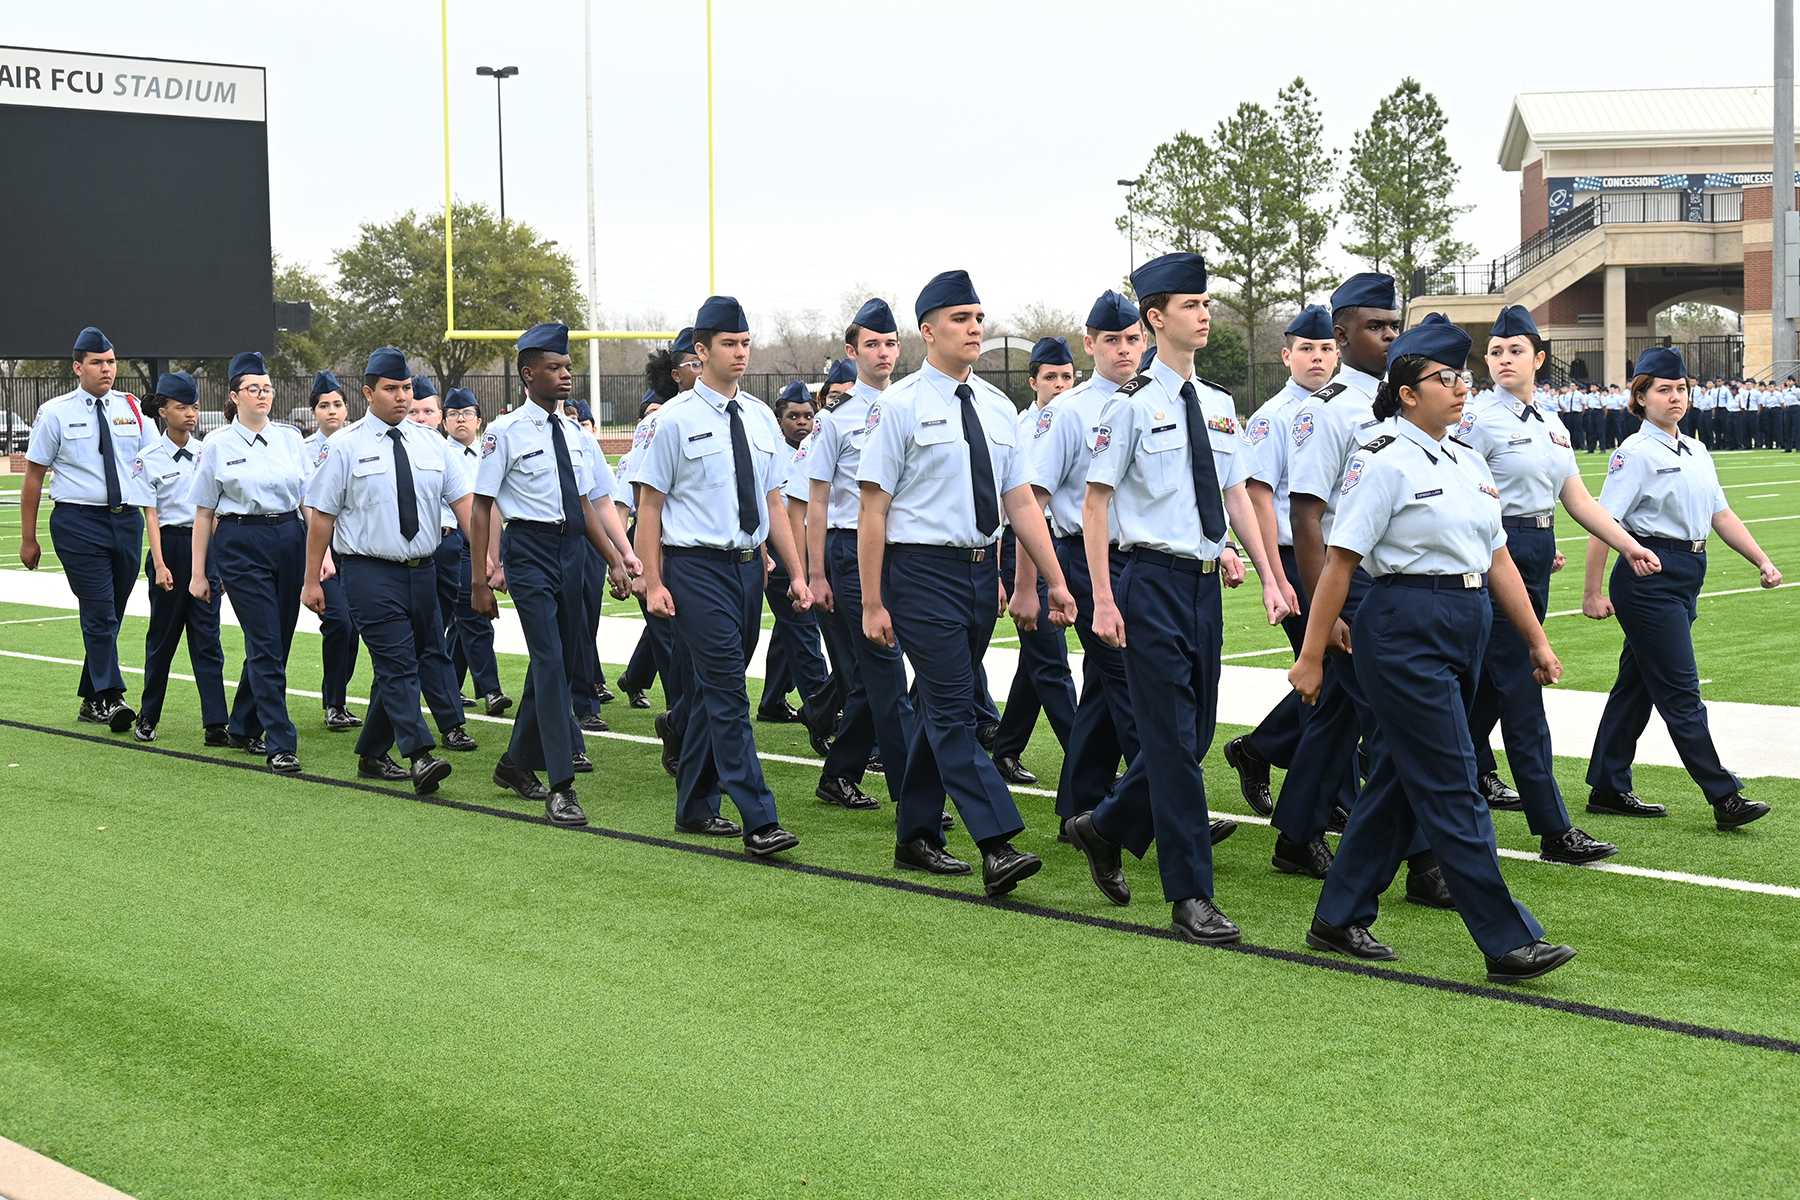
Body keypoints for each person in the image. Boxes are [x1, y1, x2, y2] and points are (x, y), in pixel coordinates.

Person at [1292, 314, 1575, 983]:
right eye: (1445, 378)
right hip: (1405, 625)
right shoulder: (1381, 461)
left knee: (1397, 780)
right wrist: (1311, 654)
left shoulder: (1469, 461)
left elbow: (1498, 557)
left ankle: (1337, 914)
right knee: (1453, 784)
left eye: (1463, 377)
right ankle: (1506, 940)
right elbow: (1340, 563)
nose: (1461, 388)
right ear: (1408, 391)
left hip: (1467, 619)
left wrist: (1536, 639)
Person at [1062, 252, 1286, 943]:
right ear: (1156, 318)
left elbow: (1238, 495)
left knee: (1188, 739)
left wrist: (1270, 572)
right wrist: (1102, 597)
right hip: (1148, 584)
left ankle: (1105, 826)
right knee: (1171, 746)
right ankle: (1190, 896)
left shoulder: (1218, 406)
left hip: (1201, 587)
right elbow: (1095, 507)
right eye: (1191, 304)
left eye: (1206, 302)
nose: (1204, 312)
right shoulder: (1130, 407)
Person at [857, 268, 1078, 895]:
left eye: (979, 317)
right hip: (921, 573)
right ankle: (997, 840)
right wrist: (873, 601)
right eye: (960, 318)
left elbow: (1023, 503)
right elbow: (872, 509)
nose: (975, 328)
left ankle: (916, 834)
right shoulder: (898, 407)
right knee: (956, 710)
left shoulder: (999, 406)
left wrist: (1054, 582)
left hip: (983, 572)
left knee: (935, 705)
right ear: (927, 331)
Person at [1458, 306, 1664, 865]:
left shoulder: (1550, 423)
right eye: (1496, 351)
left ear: (1539, 360)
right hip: (1495, 554)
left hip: (1535, 552)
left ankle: (1450, 769)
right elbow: (1465, 495)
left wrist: (1626, 544)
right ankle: (1553, 827)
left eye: (1515, 351)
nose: (1503, 359)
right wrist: (1509, 546)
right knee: (1523, 685)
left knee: (1488, 690)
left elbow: (1575, 498)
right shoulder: (1476, 419)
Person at [1274, 275, 1456, 904]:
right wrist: (1325, 616)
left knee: (1342, 716)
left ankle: (1296, 831)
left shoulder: (1411, 403)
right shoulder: (1326, 410)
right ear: (1342, 333)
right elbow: (1306, 517)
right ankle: (1426, 861)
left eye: (1393, 325)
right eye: (1376, 327)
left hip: (1399, 587)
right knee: (1391, 727)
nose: (1389, 336)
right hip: (1353, 589)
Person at [635, 295, 808, 857]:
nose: (740, 353)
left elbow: (774, 502)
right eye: (729, 344)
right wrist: (652, 581)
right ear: (701, 351)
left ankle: (693, 806)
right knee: (730, 691)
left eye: (744, 343)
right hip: (694, 568)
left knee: (716, 691)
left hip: (747, 569)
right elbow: (651, 506)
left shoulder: (759, 416)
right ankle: (759, 816)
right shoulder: (672, 420)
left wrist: (798, 573)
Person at [1584, 347, 1782, 828]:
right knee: (1680, 690)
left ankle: (1608, 785)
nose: (1675, 398)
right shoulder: (1633, 453)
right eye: (1664, 390)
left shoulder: (1695, 449)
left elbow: (1721, 515)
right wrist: (1592, 590)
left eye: (1681, 389)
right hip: (1648, 574)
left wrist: (1760, 559)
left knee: (1636, 685)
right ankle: (1724, 795)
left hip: (1688, 571)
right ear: (1641, 397)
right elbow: (1603, 523)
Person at [471, 324, 640, 822]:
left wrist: (614, 558)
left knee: (563, 664)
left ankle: (513, 764)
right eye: (555, 368)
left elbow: (586, 502)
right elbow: (482, 508)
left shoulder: (573, 433)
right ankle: (561, 785)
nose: (567, 375)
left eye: (568, 367)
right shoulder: (503, 432)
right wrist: (482, 579)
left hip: (572, 549)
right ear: (528, 374)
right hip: (529, 550)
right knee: (548, 662)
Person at [302, 348, 477, 794]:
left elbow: (465, 507)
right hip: (368, 571)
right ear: (368, 392)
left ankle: (371, 754)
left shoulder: (432, 443)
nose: (402, 397)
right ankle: (419, 754)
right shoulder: (344, 445)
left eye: (406, 389)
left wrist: (490, 560)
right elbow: (321, 515)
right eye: (391, 389)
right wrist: (311, 579)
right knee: (398, 664)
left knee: (402, 664)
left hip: (423, 570)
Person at [1026, 289, 1148, 833]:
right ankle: (1166, 798)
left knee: (1104, 688)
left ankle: (1078, 803)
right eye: (1113, 341)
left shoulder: (1155, 399)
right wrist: (1031, 584)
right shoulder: (1068, 413)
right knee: (1132, 684)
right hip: (1082, 557)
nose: (1125, 350)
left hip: (1142, 561)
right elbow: (1034, 502)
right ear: (1090, 345)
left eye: (1133, 338)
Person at [1222, 305, 1338, 844]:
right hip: (1298, 558)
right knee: (1332, 676)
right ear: (1286, 355)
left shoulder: (1346, 405)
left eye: (1326, 349)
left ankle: (1260, 750)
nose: (1318, 358)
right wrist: (1275, 573)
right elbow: (1260, 498)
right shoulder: (1274, 416)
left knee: (1338, 680)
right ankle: (1314, 797)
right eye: (1307, 350)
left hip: (1343, 557)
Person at [807, 299, 923, 814]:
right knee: (887, 673)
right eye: (872, 344)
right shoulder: (835, 419)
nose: (883, 353)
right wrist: (816, 573)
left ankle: (839, 774)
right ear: (852, 352)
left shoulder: (910, 405)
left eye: (890, 343)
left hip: (898, 552)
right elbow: (815, 498)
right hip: (849, 551)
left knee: (875, 677)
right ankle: (912, 796)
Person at [19, 326, 152, 732]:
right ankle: (112, 697)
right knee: (97, 610)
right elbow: (34, 475)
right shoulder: (56, 412)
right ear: (78, 367)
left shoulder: (131, 406)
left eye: (111, 361)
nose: (106, 369)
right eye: (96, 362)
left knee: (111, 614)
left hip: (126, 521)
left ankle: (91, 698)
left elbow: (151, 464)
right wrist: (28, 537)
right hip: (78, 522)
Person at [188, 352, 310, 774]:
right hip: (241, 540)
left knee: (280, 639)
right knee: (264, 642)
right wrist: (199, 573)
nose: (262, 395)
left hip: (291, 537)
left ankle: (241, 724)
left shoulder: (292, 438)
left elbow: (307, 501)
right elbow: (204, 511)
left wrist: (321, 556)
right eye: (253, 388)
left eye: (268, 388)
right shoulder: (217, 443)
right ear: (234, 396)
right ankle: (280, 740)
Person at [990, 337, 1080, 787]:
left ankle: (1005, 749)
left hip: (1062, 549)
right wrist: (1006, 575)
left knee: (1036, 662)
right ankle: (1086, 760)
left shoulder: (1081, 416)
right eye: (1051, 377)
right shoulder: (1021, 427)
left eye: (1067, 376)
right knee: (1052, 662)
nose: (1061, 385)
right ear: (1033, 382)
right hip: (1023, 550)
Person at [131, 371, 228, 744]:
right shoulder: (148, 457)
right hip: (170, 548)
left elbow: (215, 509)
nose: (190, 414)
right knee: (163, 639)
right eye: (181, 407)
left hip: (204, 548)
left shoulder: (208, 451)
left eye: (195, 407)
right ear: (163, 412)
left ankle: (216, 722)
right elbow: (151, 515)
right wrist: (158, 563)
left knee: (208, 638)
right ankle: (148, 715)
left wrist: (213, 560)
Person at [757, 379, 835, 746]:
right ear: (779, 419)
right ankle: (822, 716)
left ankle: (773, 700)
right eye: (793, 416)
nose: (802, 422)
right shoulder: (771, 452)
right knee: (804, 633)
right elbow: (767, 507)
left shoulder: (821, 446)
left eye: (807, 415)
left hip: (812, 552)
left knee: (789, 630)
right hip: (782, 557)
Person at [438, 387, 510, 715]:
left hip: (485, 540)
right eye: (453, 414)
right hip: (450, 541)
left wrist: (497, 553)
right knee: (472, 615)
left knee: (462, 619)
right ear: (444, 421)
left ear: (479, 420)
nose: (460, 420)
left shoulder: (490, 452)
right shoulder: (440, 453)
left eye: (467, 414)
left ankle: (451, 686)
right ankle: (490, 689)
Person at [302, 370, 363, 732]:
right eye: (323, 406)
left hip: (355, 545)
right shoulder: (303, 449)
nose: (331, 412)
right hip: (320, 548)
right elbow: (305, 501)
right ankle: (334, 702)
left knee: (353, 626)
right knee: (339, 621)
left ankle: (338, 700)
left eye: (337, 404)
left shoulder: (360, 442)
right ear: (314, 413)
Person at [614, 388, 666, 710]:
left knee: (666, 623)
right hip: (644, 538)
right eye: (650, 414)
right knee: (663, 626)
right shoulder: (631, 459)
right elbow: (621, 510)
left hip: (675, 538)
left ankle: (634, 677)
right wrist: (622, 559)